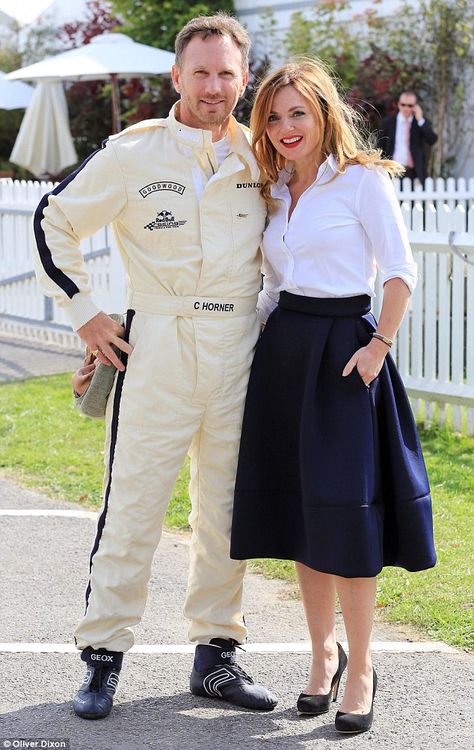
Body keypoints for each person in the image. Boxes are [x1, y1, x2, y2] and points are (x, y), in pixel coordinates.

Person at [32, 13, 277, 719]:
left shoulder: (261, 156)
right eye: (199, 72)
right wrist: (86, 312)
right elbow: (54, 219)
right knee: (134, 506)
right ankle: (103, 658)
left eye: (226, 73)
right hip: (157, 345)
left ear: (243, 77)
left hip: (237, 347)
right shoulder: (133, 154)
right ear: (176, 76)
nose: (212, 85)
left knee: (228, 511)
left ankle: (217, 657)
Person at [230, 59, 436, 734]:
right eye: (273, 116)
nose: (286, 128)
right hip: (286, 352)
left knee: (346, 516)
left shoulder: (363, 182)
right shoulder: (275, 188)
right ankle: (323, 657)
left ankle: (364, 665)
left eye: (299, 113)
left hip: (348, 356)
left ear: (323, 112)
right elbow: (270, 285)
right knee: (302, 516)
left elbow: (401, 273)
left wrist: (379, 346)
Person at [377, 91, 438, 184]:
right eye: (403, 104)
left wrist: (420, 119)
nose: (406, 108)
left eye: (410, 106)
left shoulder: (420, 122)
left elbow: (432, 140)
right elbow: (380, 148)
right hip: (393, 171)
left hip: (414, 173)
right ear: (398, 104)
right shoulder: (388, 123)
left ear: (415, 106)